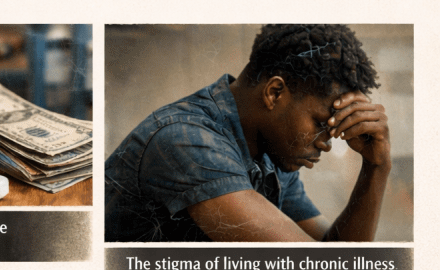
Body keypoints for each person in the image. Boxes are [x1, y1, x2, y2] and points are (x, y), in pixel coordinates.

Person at [105, 25, 391, 242]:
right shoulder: (187, 141)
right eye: (320, 123)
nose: (325, 143)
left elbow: (335, 255)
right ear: (274, 92)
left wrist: (377, 167)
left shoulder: (272, 156)